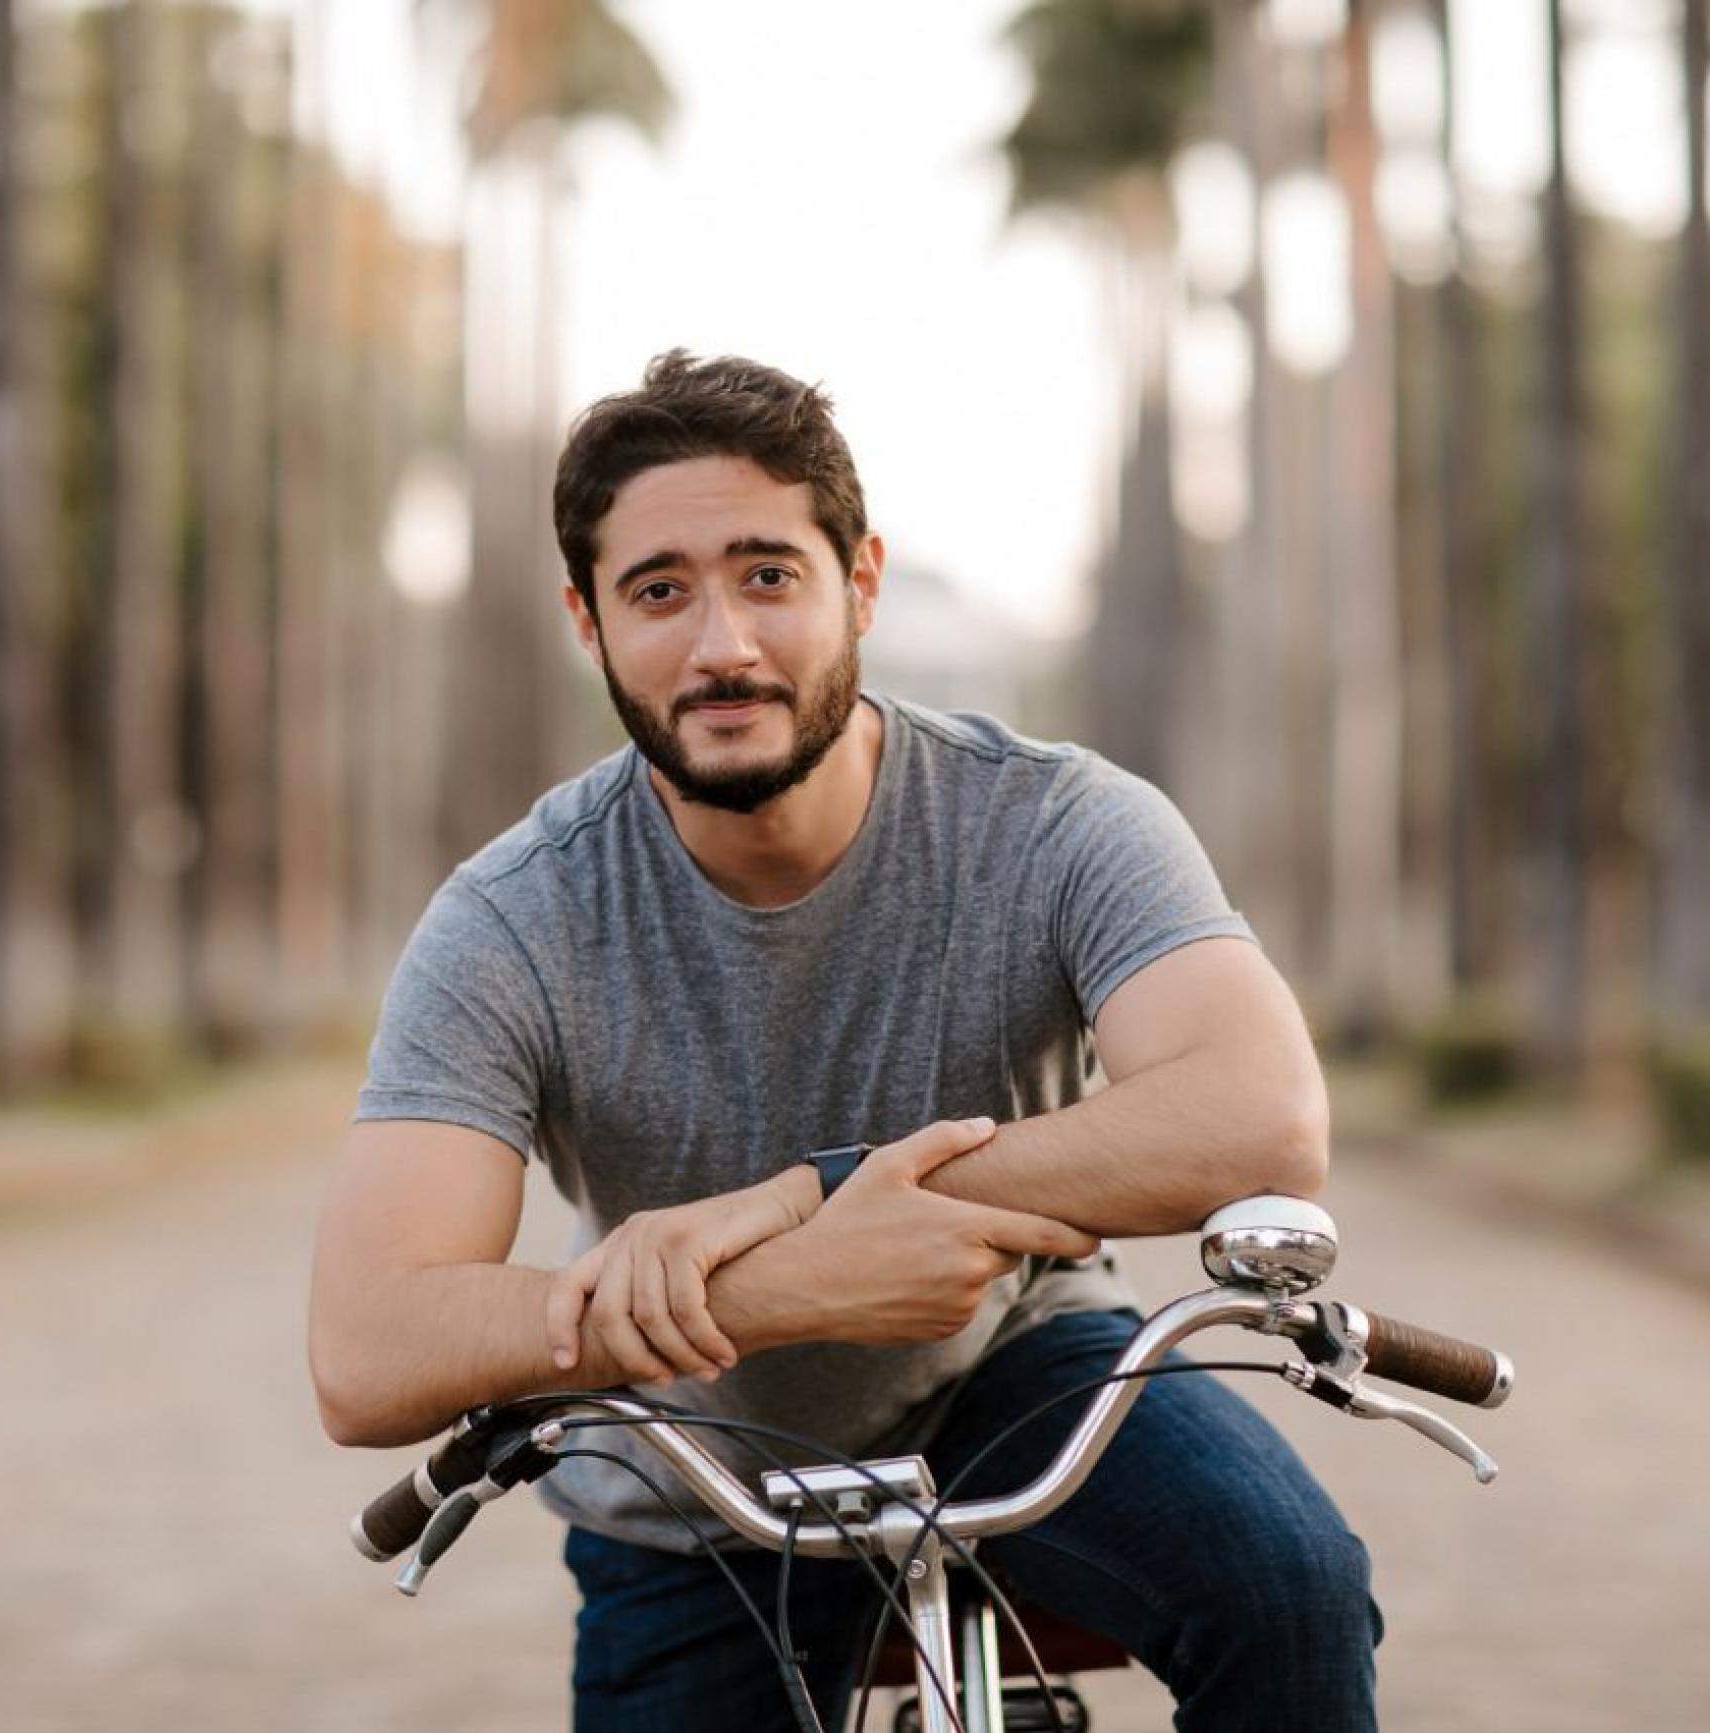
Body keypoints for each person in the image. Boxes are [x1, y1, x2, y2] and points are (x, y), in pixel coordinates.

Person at [308, 350, 1380, 1730]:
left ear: (858, 582)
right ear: (589, 624)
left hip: (1019, 1364)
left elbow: (1263, 1119)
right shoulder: (515, 917)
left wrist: (804, 1198)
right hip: (682, 1462)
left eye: (768, 573)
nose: (722, 647)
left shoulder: (1054, 821)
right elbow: (364, 1343)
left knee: (1288, 1586)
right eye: (658, 591)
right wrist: (783, 1287)